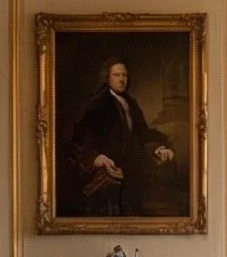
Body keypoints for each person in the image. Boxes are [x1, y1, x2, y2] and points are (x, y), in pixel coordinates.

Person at [67, 58, 176, 217]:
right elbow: (83, 138)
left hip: (132, 166)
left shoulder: (131, 103)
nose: (121, 79)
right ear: (107, 78)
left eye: (124, 75)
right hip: (111, 167)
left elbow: (142, 132)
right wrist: (97, 157)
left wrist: (160, 146)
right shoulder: (98, 104)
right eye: (116, 75)